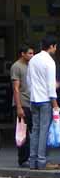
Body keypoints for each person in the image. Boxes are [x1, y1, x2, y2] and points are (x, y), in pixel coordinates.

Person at [27, 35, 59, 170]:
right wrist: (55, 104)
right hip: (45, 100)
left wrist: (32, 94)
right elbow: (51, 86)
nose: (56, 49)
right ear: (51, 46)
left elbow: (29, 81)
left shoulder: (33, 60)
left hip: (34, 99)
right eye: (55, 46)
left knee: (35, 130)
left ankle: (32, 160)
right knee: (44, 131)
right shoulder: (50, 62)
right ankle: (42, 161)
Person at [11, 44, 34, 167]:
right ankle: (23, 159)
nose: (32, 55)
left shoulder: (31, 65)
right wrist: (19, 107)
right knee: (23, 132)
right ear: (23, 54)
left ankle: (31, 157)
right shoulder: (16, 67)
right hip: (22, 103)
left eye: (33, 53)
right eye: (30, 53)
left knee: (32, 131)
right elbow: (16, 88)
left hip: (32, 102)